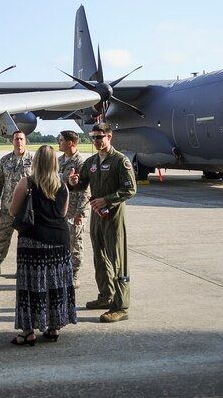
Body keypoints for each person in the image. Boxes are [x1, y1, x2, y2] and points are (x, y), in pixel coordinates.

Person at [8, 145, 77, 345]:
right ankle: (54, 327)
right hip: (58, 242)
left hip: (33, 241)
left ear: (36, 162)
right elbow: (62, 213)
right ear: (55, 162)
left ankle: (28, 331)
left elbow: (13, 210)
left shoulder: (27, 183)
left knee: (30, 286)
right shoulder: (63, 186)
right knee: (55, 285)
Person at [68, 122, 136, 323]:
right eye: (93, 137)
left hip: (114, 217)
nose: (96, 141)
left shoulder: (120, 161)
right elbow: (81, 184)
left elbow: (130, 189)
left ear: (109, 137)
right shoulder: (91, 162)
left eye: (100, 137)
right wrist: (72, 183)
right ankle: (106, 296)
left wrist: (106, 200)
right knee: (100, 257)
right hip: (97, 216)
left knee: (117, 260)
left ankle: (121, 306)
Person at [0, 130, 33, 277]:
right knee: (2, 237)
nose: (19, 142)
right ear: (12, 141)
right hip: (7, 207)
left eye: (21, 139)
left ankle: (23, 267)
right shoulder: (4, 161)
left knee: (25, 239)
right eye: (16, 139)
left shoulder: (33, 160)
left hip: (26, 208)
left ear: (25, 141)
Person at [57, 130, 89, 288]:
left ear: (70, 143)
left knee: (75, 244)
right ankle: (62, 273)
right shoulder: (59, 160)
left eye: (61, 140)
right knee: (61, 244)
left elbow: (85, 191)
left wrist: (80, 213)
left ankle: (74, 274)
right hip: (60, 210)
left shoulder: (80, 163)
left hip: (74, 210)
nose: (58, 142)